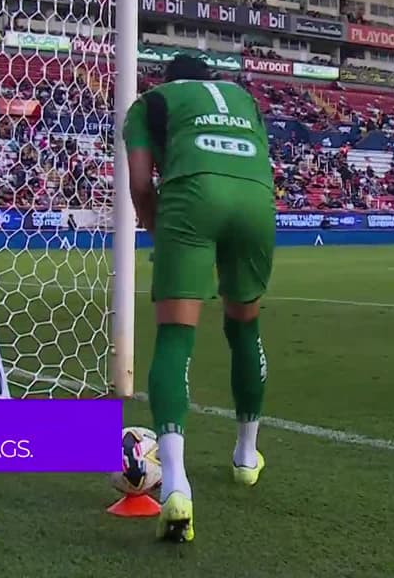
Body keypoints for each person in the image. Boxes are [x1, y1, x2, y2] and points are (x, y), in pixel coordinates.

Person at [122, 54, 276, 543]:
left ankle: (176, 485)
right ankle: (246, 456)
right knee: (244, 328)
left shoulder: (150, 103)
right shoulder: (245, 99)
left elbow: (141, 184)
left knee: (174, 338)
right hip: (255, 198)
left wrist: (157, 229)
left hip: (192, 198)